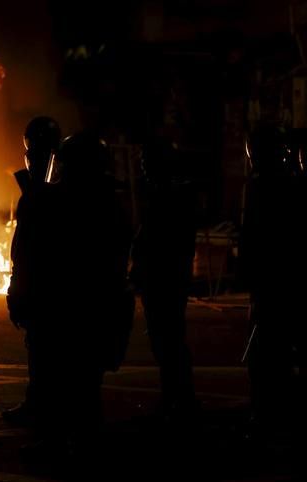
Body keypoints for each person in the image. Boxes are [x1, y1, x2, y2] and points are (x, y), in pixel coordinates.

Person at [10, 131, 131, 457]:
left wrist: (18, 294)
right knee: (87, 382)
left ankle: (55, 442)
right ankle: (85, 441)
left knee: (56, 378)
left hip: (59, 306)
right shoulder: (112, 204)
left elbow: (29, 254)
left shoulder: (53, 202)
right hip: (96, 306)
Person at [241, 125, 306, 439]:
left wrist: (255, 285)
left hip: (274, 284)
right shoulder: (285, 183)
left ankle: (269, 417)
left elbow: (258, 240)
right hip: (281, 283)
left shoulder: (264, 186)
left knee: (267, 356)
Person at [130, 137, 198, 421]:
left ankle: (179, 399)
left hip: (165, 280)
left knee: (168, 341)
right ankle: (176, 397)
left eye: (148, 161)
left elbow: (161, 242)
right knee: (165, 341)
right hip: (162, 279)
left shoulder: (171, 196)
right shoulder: (164, 193)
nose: (143, 167)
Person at [3, 116, 61, 425]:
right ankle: (40, 405)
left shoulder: (49, 198)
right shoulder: (46, 195)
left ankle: (45, 414)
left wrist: (18, 287)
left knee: (45, 351)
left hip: (47, 287)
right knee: (41, 350)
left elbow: (29, 249)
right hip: (46, 286)